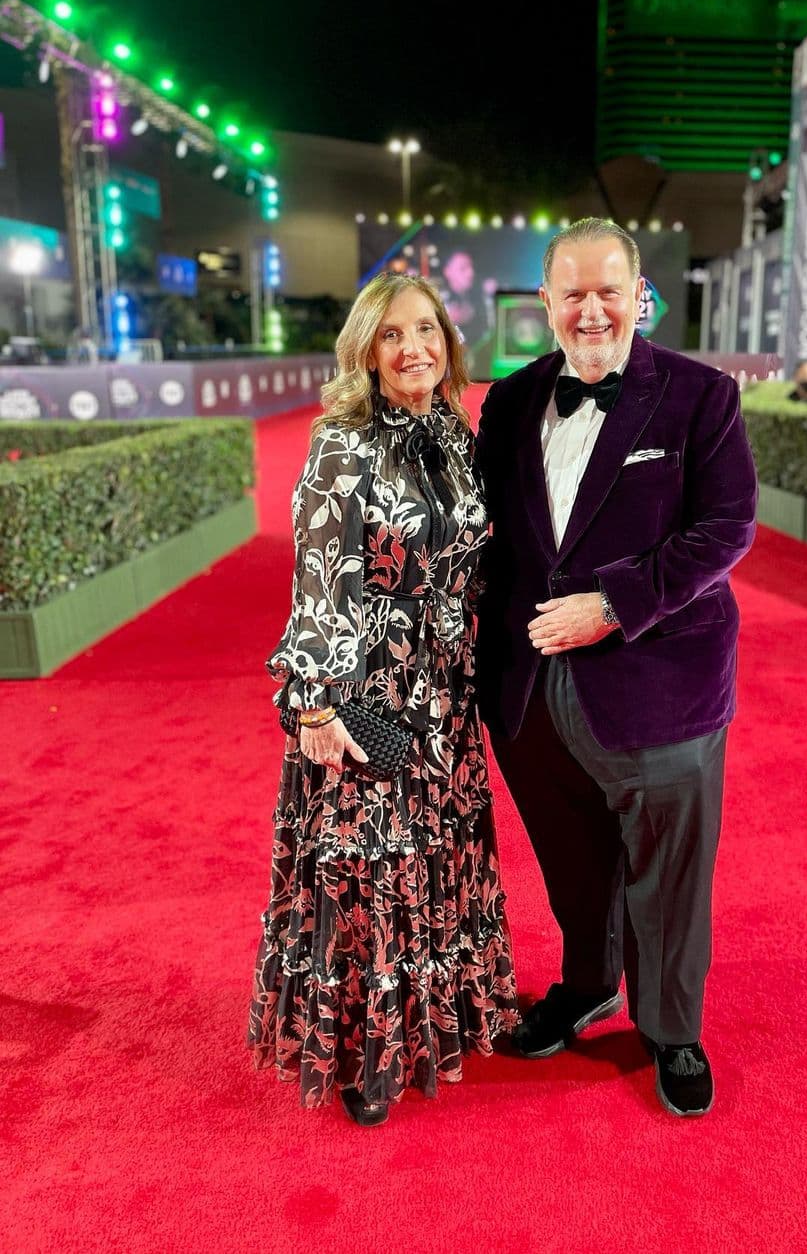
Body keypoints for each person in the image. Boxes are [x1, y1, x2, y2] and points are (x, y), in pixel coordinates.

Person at [474, 218, 758, 1118]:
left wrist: (615, 604)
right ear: (546, 301)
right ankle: (589, 984)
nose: (591, 310)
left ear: (639, 295)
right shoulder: (511, 400)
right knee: (571, 861)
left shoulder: (700, 396)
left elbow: (726, 528)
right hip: (529, 688)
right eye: (572, 292)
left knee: (668, 873)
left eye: (609, 291)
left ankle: (672, 1028)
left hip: (658, 682)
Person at [248, 273, 517, 1127]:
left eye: (428, 331)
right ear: (366, 348)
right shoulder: (343, 444)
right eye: (395, 334)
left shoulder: (451, 432)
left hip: (445, 692)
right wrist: (317, 705)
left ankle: (439, 1022)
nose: (416, 349)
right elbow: (320, 581)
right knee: (373, 872)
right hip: (370, 693)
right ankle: (366, 1052)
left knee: (435, 860)